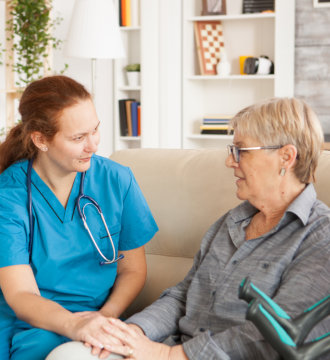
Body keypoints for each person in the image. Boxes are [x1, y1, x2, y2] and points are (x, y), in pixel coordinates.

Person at [48, 97, 330, 360]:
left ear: (286, 157)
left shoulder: (319, 237)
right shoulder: (232, 222)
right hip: (171, 346)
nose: (229, 161)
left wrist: (169, 355)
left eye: (240, 151)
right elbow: (184, 295)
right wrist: (132, 332)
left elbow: (278, 336)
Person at [0, 75, 158, 360]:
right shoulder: (9, 196)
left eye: (95, 130)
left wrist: (103, 320)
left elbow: (133, 270)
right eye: (78, 138)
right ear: (40, 139)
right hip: (29, 320)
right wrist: (76, 325)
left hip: (95, 317)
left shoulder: (116, 180)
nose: (93, 145)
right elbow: (20, 295)